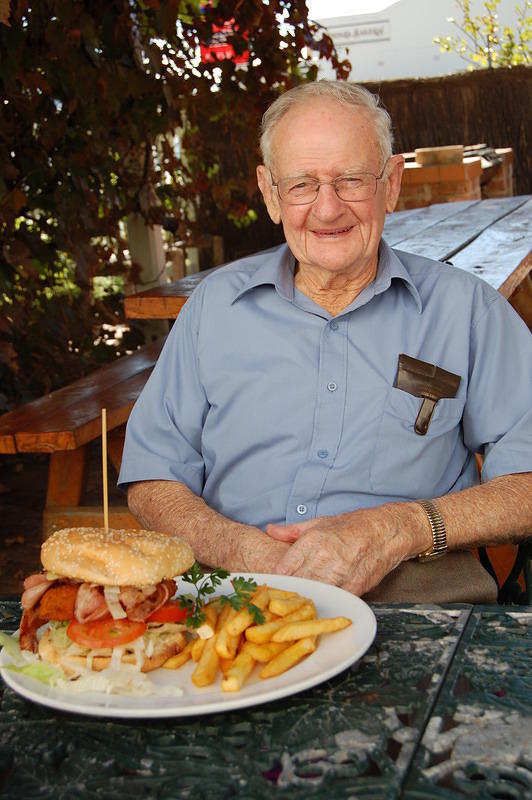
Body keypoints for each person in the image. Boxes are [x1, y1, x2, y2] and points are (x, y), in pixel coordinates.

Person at [118, 81, 532, 603]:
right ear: (271, 194)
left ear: (392, 183)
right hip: (233, 596)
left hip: (415, 599)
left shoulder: (468, 312)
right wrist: (245, 552)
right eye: (303, 185)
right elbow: (153, 475)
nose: (329, 208)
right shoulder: (214, 307)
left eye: (351, 180)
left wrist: (399, 528)